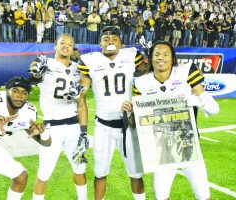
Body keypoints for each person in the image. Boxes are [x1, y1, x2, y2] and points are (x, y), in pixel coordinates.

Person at [122, 41, 219, 200]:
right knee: (161, 196)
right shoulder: (141, 83)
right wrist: (131, 110)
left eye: (165, 54)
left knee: (203, 195)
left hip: (188, 145)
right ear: (150, 58)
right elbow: (136, 123)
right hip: (161, 148)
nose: (161, 58)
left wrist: (199, 101)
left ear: (173, 58)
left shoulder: (185, 72)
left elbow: (214, 109)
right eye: (157, 54)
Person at [76, 26, 146, 200]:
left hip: (128, 125)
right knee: (100, 173)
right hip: (103, 127)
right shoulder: (89, 60)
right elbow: (82, 92)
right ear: (100, 43)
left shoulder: (131, 55)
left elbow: (148, 73)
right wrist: (78, 90)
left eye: (114, 39)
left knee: (136, 174)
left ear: (121, 42)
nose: (110, 42)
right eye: (106, 39)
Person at [28, 34, 88, 200]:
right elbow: (32, 80)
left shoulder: (78, 69)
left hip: (73, 126)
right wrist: (36, 75)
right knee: (44, 173)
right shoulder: (45, 63)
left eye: (70, 44)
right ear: (55, 46)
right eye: (62, 43)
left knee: (80, 170)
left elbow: (82, 103)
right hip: (51, 127)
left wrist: (84, 131)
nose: (66, 46)